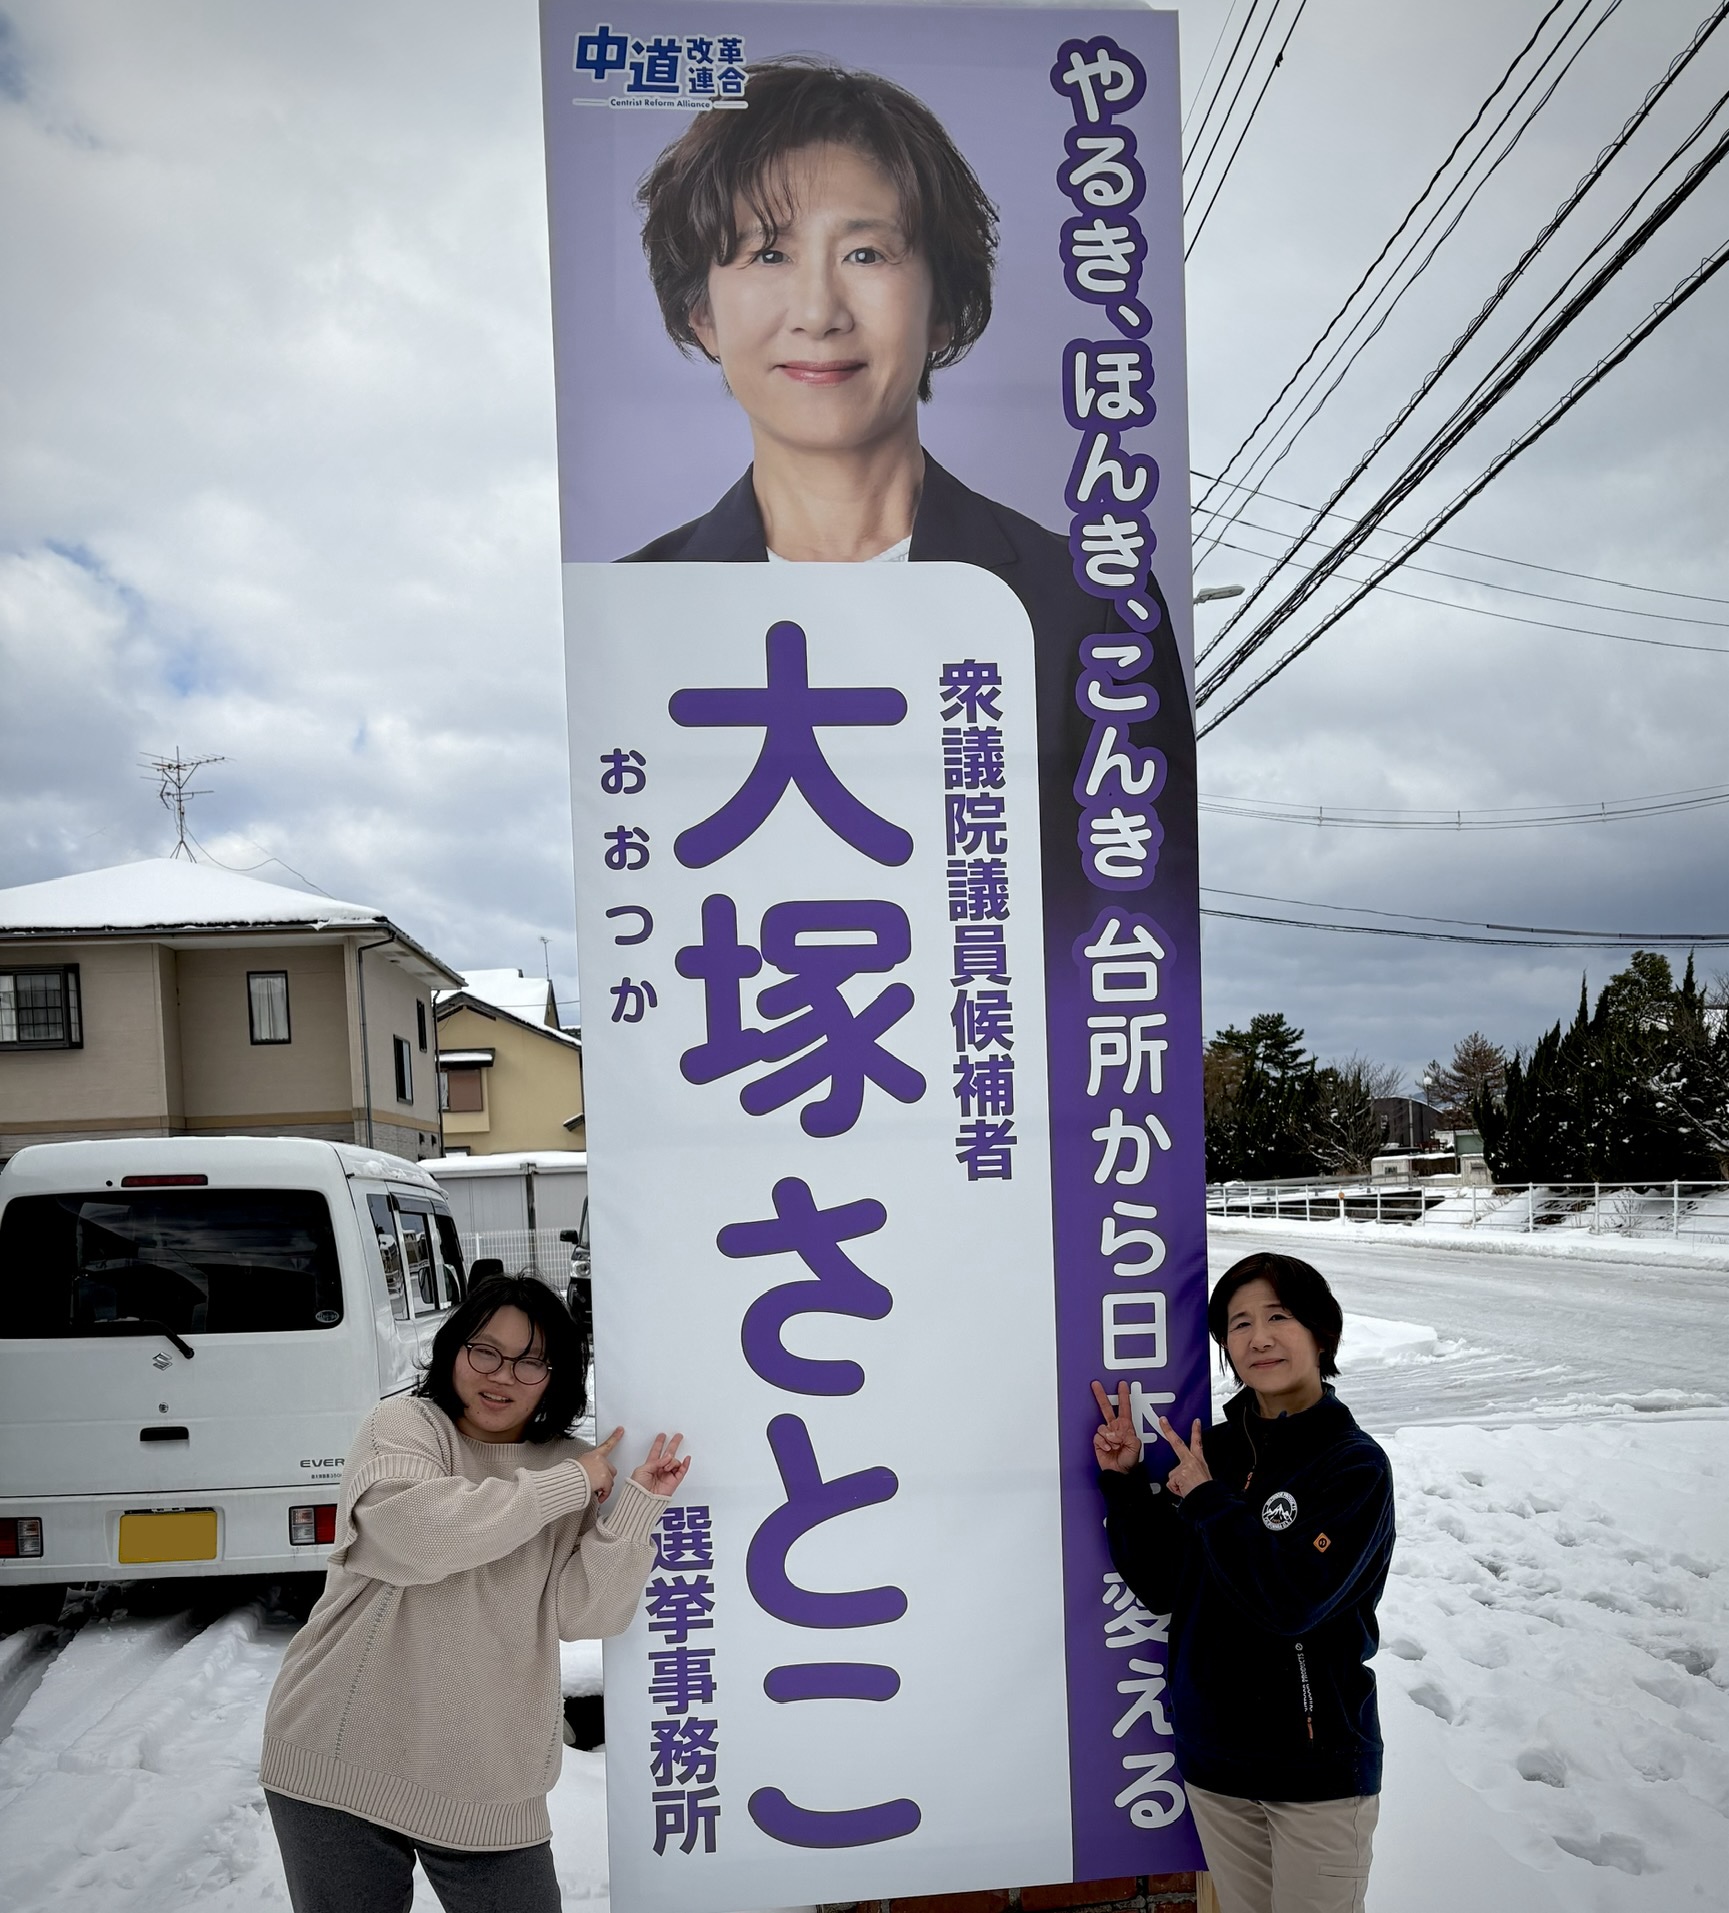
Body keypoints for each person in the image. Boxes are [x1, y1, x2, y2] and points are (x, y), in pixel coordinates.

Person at [260, 1273, 688, 1913]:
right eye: (485, 1350)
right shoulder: (406, 1427)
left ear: (556, 1375)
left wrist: (636, 1509)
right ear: (454, 1349)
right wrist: (569, 1484)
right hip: (340, 1758)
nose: (503, 1375)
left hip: (489, 1776)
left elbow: (584, 1613)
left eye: (531, 1361)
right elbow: (416, 1537)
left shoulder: (567, 1464)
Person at [1091, 1253, 1394, 1913]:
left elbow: (1291, 1599)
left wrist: (1204, 1500)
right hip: (1216, 1765)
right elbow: (1165, 1585)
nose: (1257, 1337)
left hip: (1315, 1774)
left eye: (1278, 1316)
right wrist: (1125, 1481)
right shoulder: (1215, 1451)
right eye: (1238, 1323)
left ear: (1320, 1333)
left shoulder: (1353, 1466)